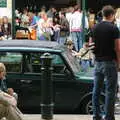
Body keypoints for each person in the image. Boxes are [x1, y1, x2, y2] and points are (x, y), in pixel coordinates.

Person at [91, 5, 120, 120]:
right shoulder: (114, 28)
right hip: (110, 62)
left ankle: (96, 115)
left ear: (103, 14)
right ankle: (108, 116)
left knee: (96, 90)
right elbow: (117, 48)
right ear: (112, 15)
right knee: (110, 91)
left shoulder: (95, 27)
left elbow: (92, 45)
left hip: (98, 62)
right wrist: (119, 62)